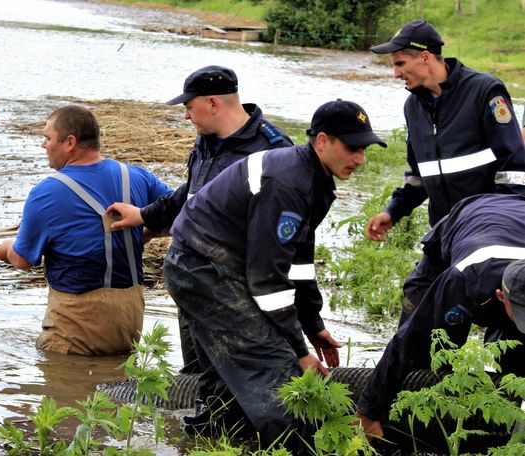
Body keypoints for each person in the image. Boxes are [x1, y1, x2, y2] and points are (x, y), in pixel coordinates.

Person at [164, 99, 386, 446]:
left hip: (216, 266)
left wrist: (313, 325)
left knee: (233, 371)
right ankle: (294, 449)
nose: (360, 160)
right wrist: (299, 349)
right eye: (353, 148)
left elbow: (298, 261)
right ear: (323, 141)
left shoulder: (318, 181)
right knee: (277, 369)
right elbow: (267, 281)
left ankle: (212, 443)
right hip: (201, 268)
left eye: (364, 150)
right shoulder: (290, 183)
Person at [107, 65, 293, 372]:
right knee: (197, 370)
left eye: (189, 107)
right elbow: (191, 195)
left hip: (238, 287)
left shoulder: (274, 151)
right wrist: (145, 217)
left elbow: (287, 228)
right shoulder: (206, 141)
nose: (186, 116)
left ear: (214, 104)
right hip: (194, 279)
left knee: (238, 371)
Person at [0, 105, 172, 356]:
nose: (44, 145)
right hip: (130, 323)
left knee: (63, 388)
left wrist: (8, 249)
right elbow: (184, 213)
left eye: (47, 137)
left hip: (76, 328)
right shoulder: (137, 176)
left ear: (70, 143)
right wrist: (149, 230)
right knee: (116, 391)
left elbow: (23, 260)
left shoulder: (46, 193)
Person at [356, 193, 525, 441]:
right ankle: (409, 431)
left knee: (514, 355)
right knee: (431, 350)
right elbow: (408, 341)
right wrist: (369, 412)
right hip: (469, 217)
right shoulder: (463, 278)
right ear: (501, 296)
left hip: (516, 218)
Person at [365, 20, 525, 243]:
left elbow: (515, 170)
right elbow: (419, 177)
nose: (396, 73)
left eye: (400, 64)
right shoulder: (413, 107)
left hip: (487, 230)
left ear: (425, 57)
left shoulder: (485, 92)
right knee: (417, 281)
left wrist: (495, 224)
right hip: (444, 232)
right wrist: (393, 212)